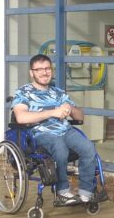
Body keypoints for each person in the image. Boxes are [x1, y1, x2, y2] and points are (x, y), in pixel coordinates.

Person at [11, 54, 97, 204]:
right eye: (39, 69)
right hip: (40, 133)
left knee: (88, 148)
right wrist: (53, 112)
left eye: (47, 68)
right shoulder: (24, 92)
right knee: (59, 147)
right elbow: (21, 117)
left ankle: (85, 193)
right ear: (31, 73)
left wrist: (70, 108)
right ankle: (62, 191)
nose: (44, 72)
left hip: (65, 131)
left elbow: (80, 116)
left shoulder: (58, 92)